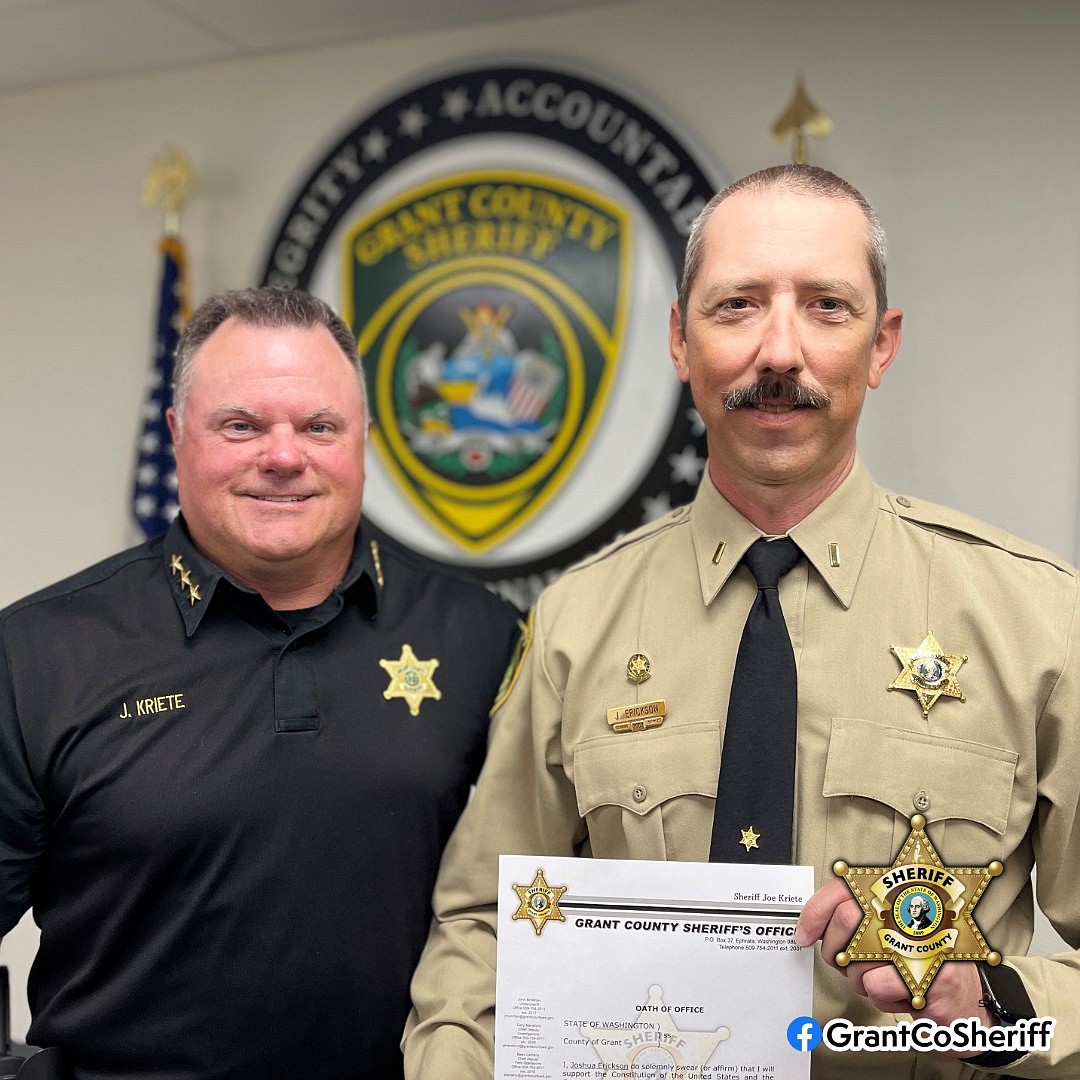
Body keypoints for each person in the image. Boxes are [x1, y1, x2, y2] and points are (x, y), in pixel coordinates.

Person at [403, 166, 1080, 1078]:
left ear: (882, 347)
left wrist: (996, 1007)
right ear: (681, 341)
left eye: (827, 307)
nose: (779, 350)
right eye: (738, 306)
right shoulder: (576, 624)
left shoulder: (1036, 620)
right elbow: (486, 921)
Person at [0, 287, 521, 1080]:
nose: (283, 456)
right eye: (241, 426)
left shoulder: (484, 640)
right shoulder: (38, 653)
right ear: (178, 436)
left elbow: (548, 902)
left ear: (365, 443)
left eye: (319, 426)